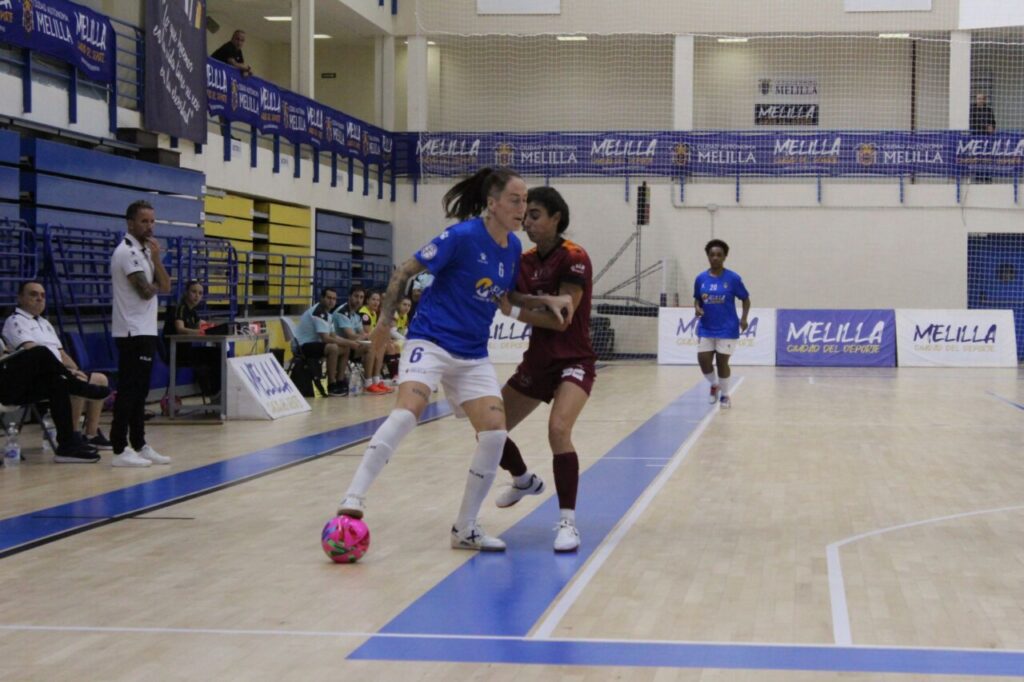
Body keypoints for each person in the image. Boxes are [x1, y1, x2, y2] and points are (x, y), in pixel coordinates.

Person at [335, 167, 573, 552]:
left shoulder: (513, 248)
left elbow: (506, 297)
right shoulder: (461, 237)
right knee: (407, 413)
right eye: (515, 200)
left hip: (473, 353)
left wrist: (545, 299)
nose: (522, 208)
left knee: (494, 433)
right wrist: (383, 324)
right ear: (492, 204)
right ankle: (353, 497)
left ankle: (465, 528)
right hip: (431, 340)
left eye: (525, 201)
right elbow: (405, 272)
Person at [493, 186, 596, 552]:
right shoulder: (524, 260)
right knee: (489, 429)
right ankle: (523, 479)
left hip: (574, 360)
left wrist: (515, 309)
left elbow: (561, 320)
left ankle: (567, 523)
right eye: (525, 216)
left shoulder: (574, 257)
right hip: (538, 361)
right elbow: (511, 294)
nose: (527, 223)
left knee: (558, 429)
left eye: (535, 216)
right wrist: (525, 301)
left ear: (556, 218)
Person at [3, 280, 113, 452]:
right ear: (20, 298)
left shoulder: (45, 323)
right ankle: (74, 433)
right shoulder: (15, 321)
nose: (39, 299)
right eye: (33, 294)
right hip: (30, 378)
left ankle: (91, 434)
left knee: (99, 379)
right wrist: (68, 374)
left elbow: (62, 354)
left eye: (43, 295)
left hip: (57, 373)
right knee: (47, 359)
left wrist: (76, 370)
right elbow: (31, 351)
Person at [110, 200, 173, 467]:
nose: (149, 226)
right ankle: (119, 448)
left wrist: (156, 263)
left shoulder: (145, 252)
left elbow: (166, 287)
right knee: (129, 389)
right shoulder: (126, 252)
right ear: (130, 223)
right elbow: (146, 292)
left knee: (141, 391)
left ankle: (139, 443)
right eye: (144, 221)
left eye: (152, 221)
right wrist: (156, 271)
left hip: (146, 329)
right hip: (131, 331)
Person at [0, 339, 107, 462]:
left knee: (56, 383)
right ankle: (77, 386)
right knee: (40, 352)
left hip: (10, 385)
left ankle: (67, 447)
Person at [694, 239, 750, 409]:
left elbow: (745, 299)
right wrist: (697, 308)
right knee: (703, 361)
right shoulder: (700, 278)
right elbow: (697, 299)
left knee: (721, 362)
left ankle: (725, 395)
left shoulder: (733, 278)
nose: (715, 258)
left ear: (725, 257)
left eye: (719, 255)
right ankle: (714, 385)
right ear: (708, 256)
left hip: (727, 328)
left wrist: (744, 318)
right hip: (706, 327)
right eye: (712, 255)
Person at [294, 288, 362, 396]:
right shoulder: (318, 312)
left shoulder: (328, 314)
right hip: (303, 346)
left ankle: (340, 381)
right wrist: (350, 342)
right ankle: (331, 385)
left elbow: (334, 336)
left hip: (314, 344)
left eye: (334, 299)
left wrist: (349, 343)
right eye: (329, 298)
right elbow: (326, 338)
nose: (331, 301)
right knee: (332, 348)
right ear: (322, 298)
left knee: (346, 348)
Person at [163, 280, 221, 397]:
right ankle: (214, 393)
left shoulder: (192, 312)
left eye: (200, 293)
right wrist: (201, 332)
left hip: (186, 351)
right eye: (194, 292)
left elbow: (203, 324)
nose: (197, 296)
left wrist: (216, 328)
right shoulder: (180, 308)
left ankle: (215, 392)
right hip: (176, 353)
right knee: (214, 355)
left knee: (217, 353)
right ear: (186, 292)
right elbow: (180, 329)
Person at [358, 291, 397, 393]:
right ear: (367, 300)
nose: (376, 302)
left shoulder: (374, 313)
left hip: (368, 342)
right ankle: (368, 382)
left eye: (378, 300)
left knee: (383, 345)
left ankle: (376, 379)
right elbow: (368, 334)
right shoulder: (364, 314)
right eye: (373, 299)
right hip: (359, 343)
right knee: (378, 346)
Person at [969, 93, 996, 183]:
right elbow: (972, 123)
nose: (980, 100)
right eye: (978, 98)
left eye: (982, 99)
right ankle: (978, 178)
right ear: (976, 99)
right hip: (976, 137)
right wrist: (985, 126)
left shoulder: (988, 110)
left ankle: (987, 178)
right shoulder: (972, 110)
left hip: (987, 138)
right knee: (977, 157)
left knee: (987, 157)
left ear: (985, 100)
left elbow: (993, 122)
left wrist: (992, 128)